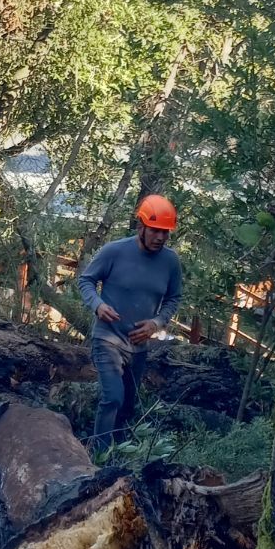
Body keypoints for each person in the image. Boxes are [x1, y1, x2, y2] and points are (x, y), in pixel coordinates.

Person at [77, 194, 183, 455]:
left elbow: (173, 298)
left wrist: (157, 323)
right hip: (107, 338)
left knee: (128, 405)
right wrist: (98, 305)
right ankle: (98, 457)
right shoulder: (114, 251)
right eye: (155, 231)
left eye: (165, 233)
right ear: (141, 227)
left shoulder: (171, 262)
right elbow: (86, 280)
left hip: (139, 345)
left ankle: (120, 457)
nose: (160, 237)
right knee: (112, 397)